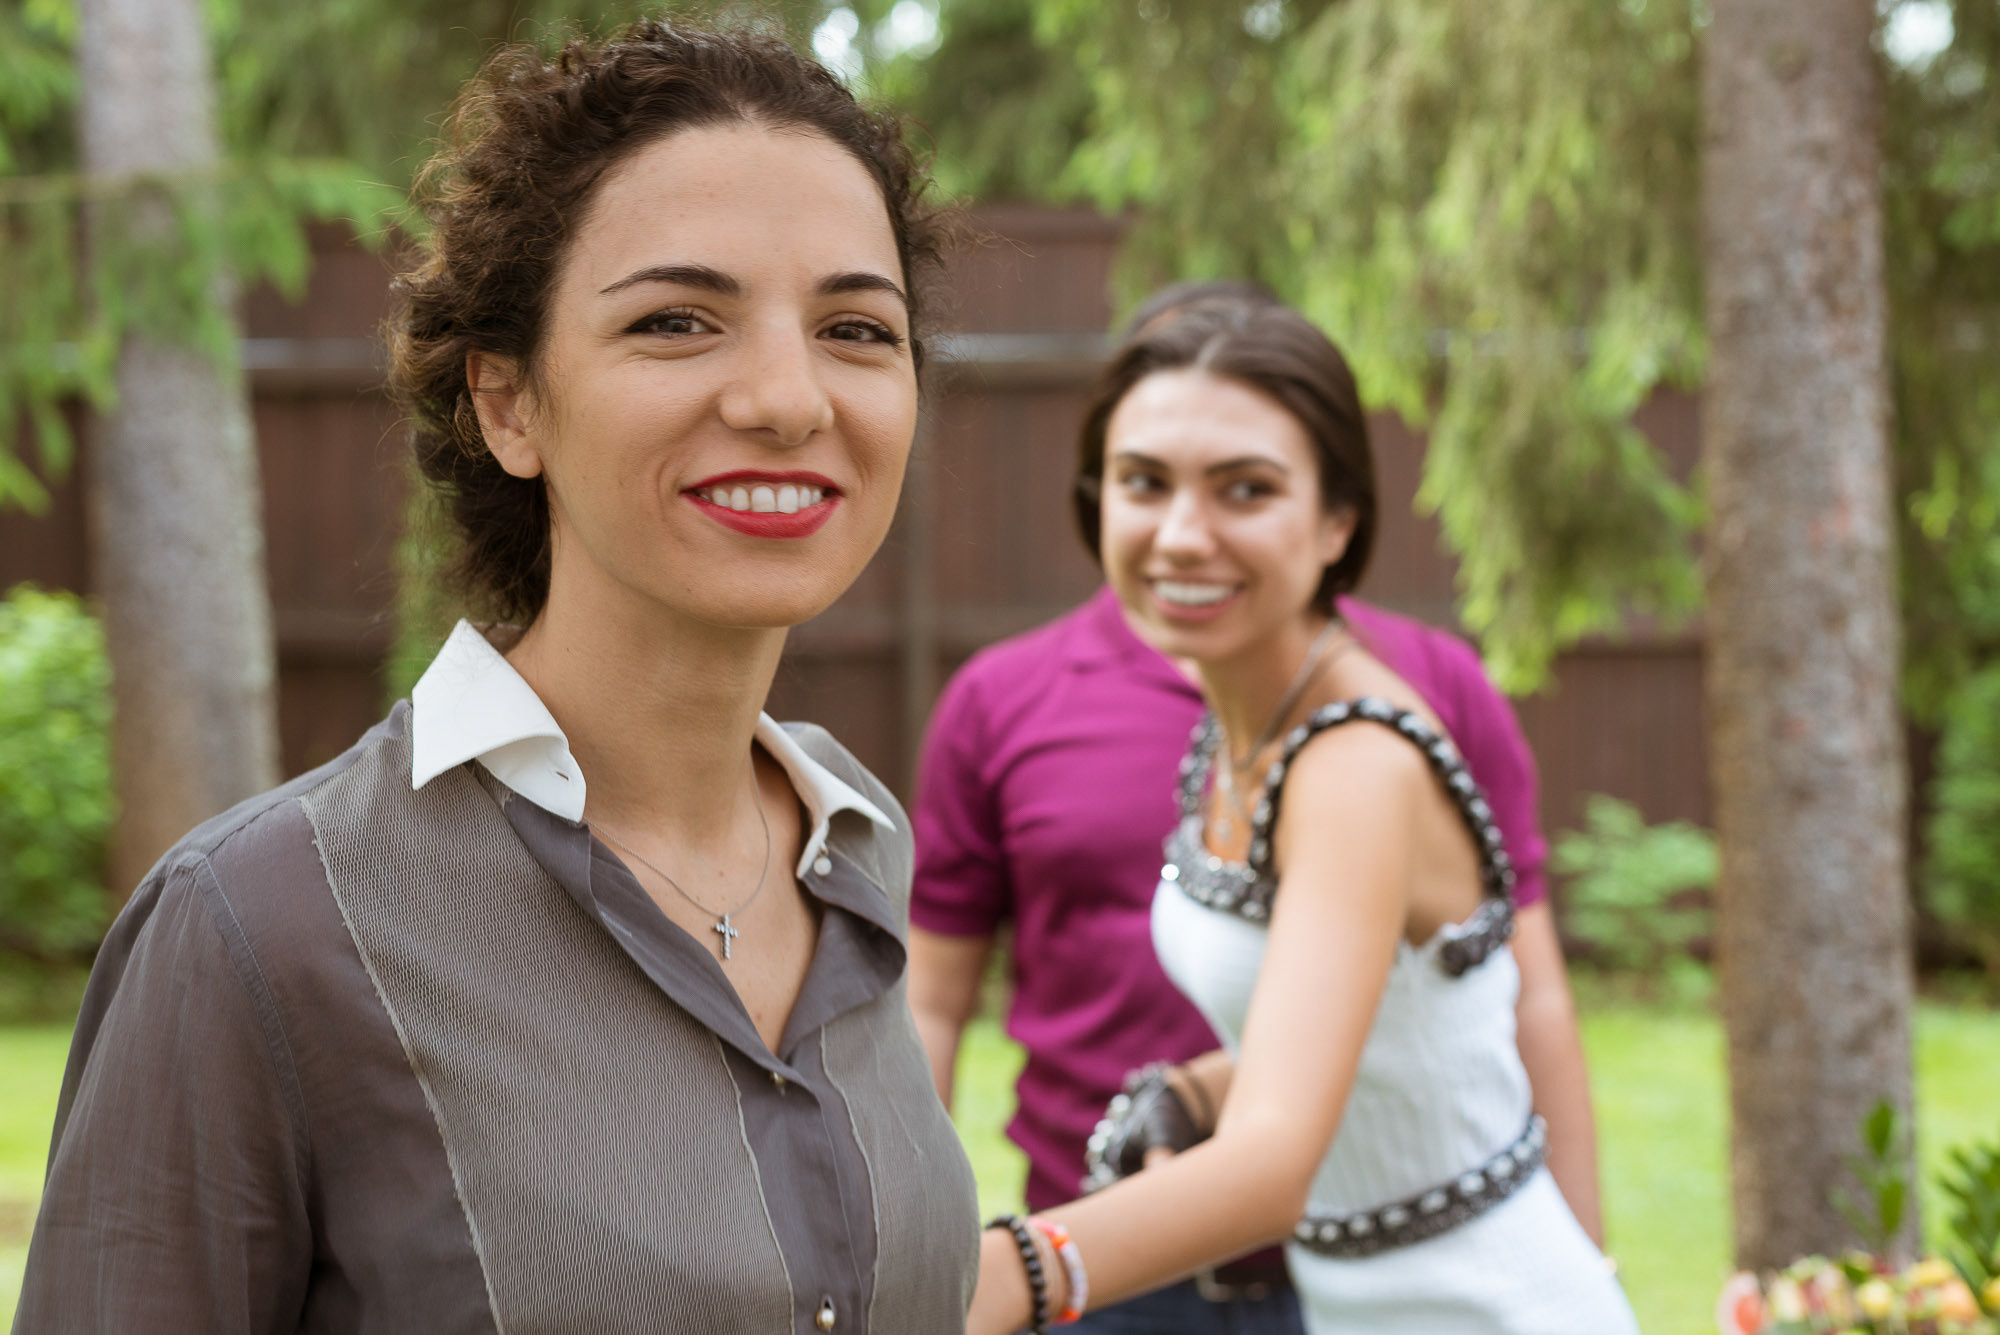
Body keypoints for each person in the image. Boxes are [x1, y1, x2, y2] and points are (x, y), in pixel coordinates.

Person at [14, 22, 977, 1334]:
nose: (788, 397)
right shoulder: (262, 923)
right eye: (677, 320)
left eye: (857, 326)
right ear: (508, 404)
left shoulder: (859, 843)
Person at [909, 285, 1607, 1332]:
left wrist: (993, 1277)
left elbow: (1274, 1167)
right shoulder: (1243, 715)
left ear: (1337, 520)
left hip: (1470, 1306)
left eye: (1243, 490)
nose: (1183, 535)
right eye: (1144, 483)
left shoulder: (1354, 758)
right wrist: (1195, 1089)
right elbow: (1391, 1030)